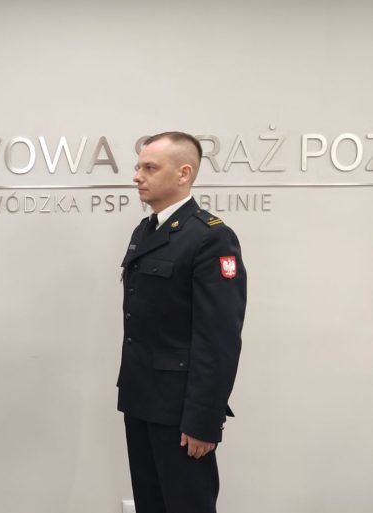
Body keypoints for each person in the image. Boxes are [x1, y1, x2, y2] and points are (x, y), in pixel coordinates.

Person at [118, 132, 246, 513]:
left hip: (181, 413)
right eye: (138, 167)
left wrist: (204, 420)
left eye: (149, 168)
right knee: (151, 504)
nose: (137, 176)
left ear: (183, 173)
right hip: (141, 400)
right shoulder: (146, 231)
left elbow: (219, 338)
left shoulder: (211, 238)